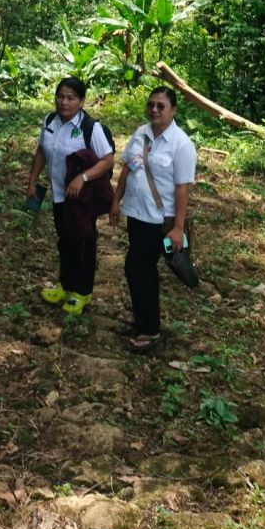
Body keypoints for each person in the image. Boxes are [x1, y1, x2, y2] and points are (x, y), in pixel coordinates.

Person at [110, 86, 196, 354]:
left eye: (161, 106)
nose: (155, 110)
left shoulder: (181, 145)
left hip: (158, 221)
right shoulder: (140, 133)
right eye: (151, 105)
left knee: (138, 268)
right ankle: (142, 321)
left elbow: (182, 189)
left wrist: (179, 228)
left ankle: (151, 329)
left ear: (173, 110)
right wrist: (116, 200)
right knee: (139, 269)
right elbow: (127, 167)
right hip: (136, 213)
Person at [27, 78, 115, 316]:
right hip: (59, 194)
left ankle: (81, 292)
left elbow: (108, 160)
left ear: (82, 101)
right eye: (60, 96)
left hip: (81, 198)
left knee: (83, 242)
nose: (64, 102)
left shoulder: (90, 128)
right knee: (64, 240)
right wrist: (33, 181)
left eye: (71, 98)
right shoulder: (49, 122)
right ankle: (65, 285)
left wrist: (82, 178)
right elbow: (41, 153)